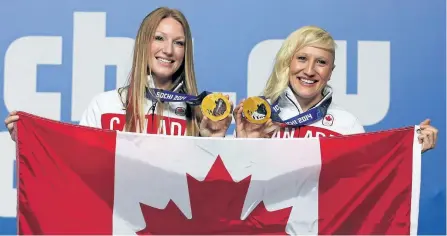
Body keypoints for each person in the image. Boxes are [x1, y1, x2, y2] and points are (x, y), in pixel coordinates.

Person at [4, 7, 232, 140]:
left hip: (175, 220)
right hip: (116, 221)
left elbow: (209, 192)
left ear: (186, 53)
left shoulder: (199, 114)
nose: (168, 50)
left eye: (179, 43)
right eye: (159, 38)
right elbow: (75, 164)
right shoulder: (105, 105)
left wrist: (213, 140)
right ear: (144, 43)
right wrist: (30, 141)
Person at [232, 25, 438, 153]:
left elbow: (366, 181)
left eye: (321, 62)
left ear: (331, 72)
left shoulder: (347, 125)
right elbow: (234, 188)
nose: (310, 70)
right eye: (302, 58)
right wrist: (245, 146)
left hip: (321, 224)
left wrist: (409, 152)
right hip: (267, 223)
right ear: (288, 63)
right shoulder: (258, 119)